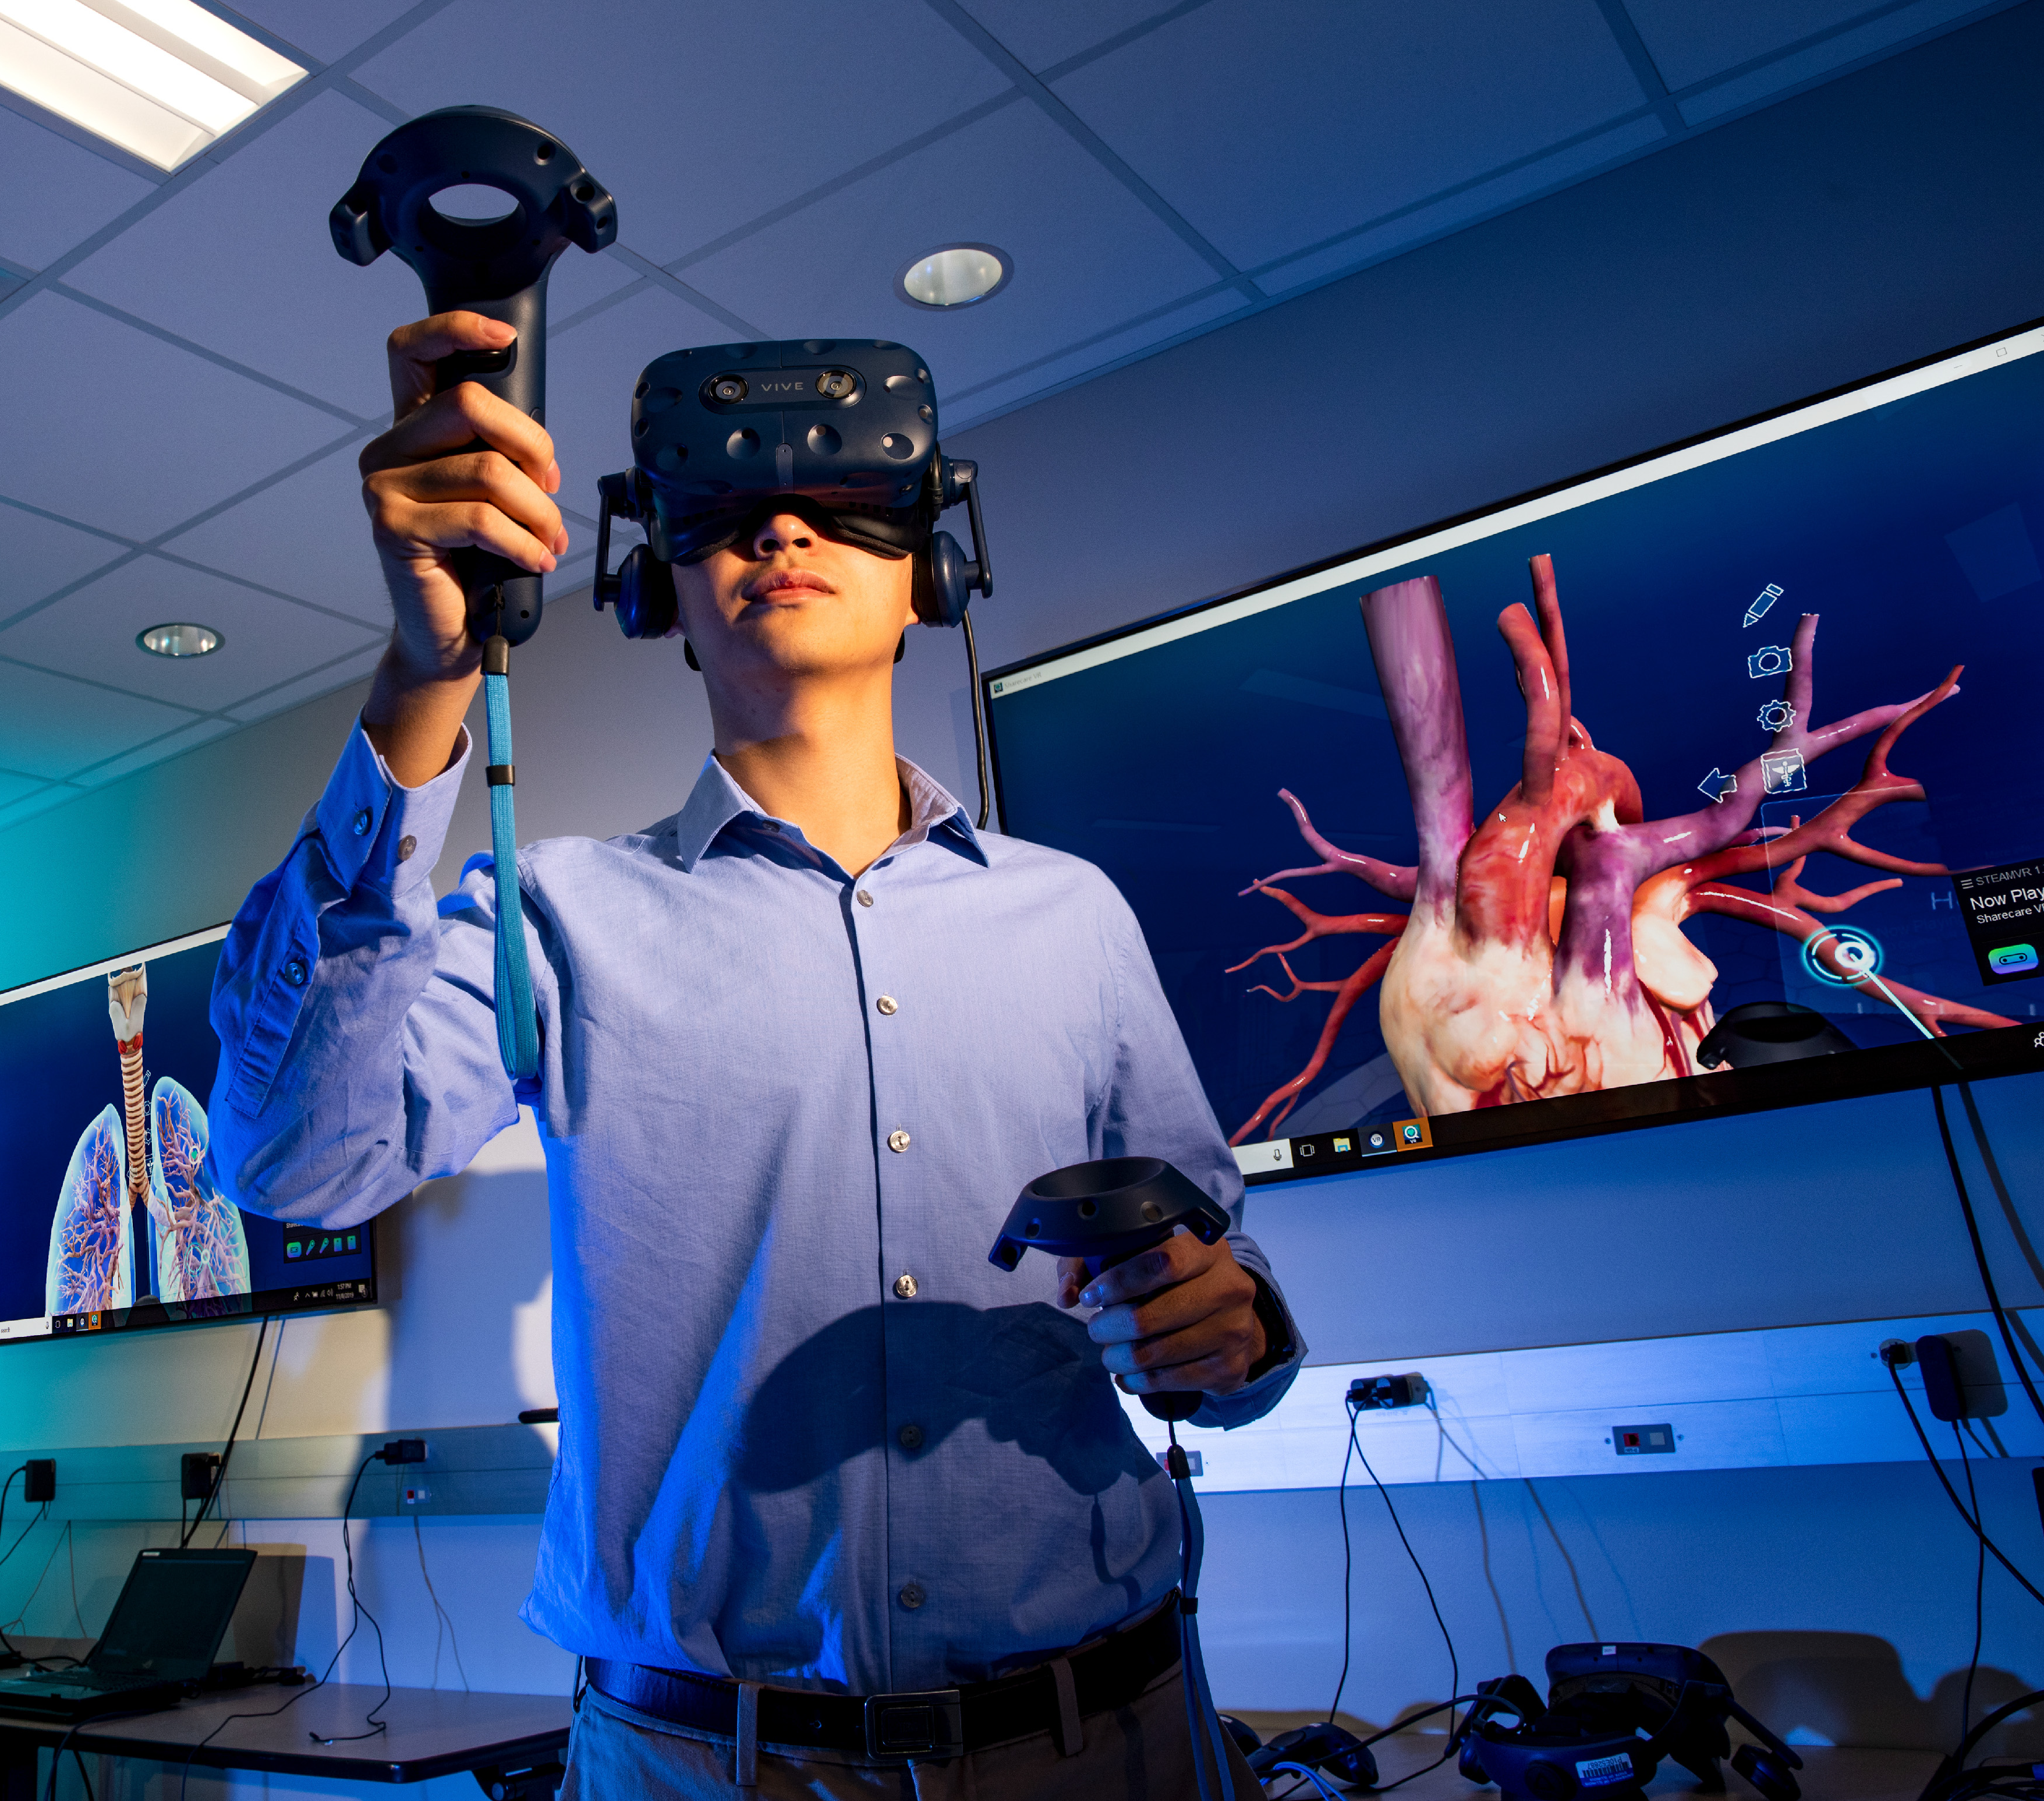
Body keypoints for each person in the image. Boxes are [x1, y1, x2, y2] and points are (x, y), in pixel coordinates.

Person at [206, 314, 1305, 1798]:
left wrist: (1231, 1328)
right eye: (725, 506)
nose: (783, 523)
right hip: (706, 1764)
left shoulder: (1075, 917)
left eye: (844, 498)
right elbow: (293, 1160)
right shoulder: (559, 914)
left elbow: (1212, 1306)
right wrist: (424, 673)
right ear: (654, 576)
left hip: (1103, 1739)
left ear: (936, 564)